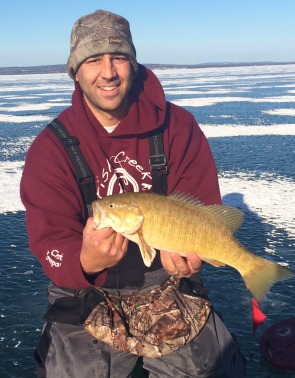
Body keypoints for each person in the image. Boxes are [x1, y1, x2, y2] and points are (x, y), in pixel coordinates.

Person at [20, 9, 245, 378]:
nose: (107, 72)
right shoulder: (51, 148)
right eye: (93, 60)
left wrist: (192, 258)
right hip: (85, 290)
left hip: (168, 280)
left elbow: (201, 210)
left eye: (118, 58)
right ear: (76, 71)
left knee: (214, 368)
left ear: (133, 66)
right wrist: (85, 261)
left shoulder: (179, 127)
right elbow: (50, 241)